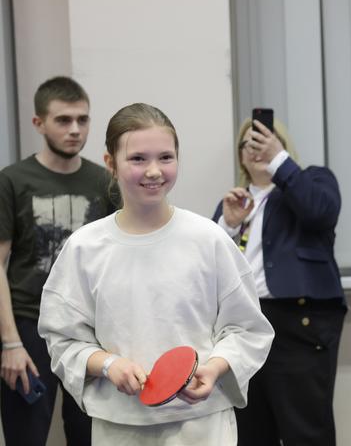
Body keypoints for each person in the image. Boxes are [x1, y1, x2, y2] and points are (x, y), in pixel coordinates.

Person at [37, 103, 274, 445]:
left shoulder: (208, 238)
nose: (153, 171)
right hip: (120, 425)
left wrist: (216, 366)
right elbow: (62, 338)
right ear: (111, 164)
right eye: (138, 159)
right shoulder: (84, 248)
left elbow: (246, 328)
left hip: (202, 424)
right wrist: (107, 364)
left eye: (165, 157)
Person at [212, 118, 346, 445]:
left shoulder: (311, 181)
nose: (255, 148)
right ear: (240, 155)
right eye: (248, 144)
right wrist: (227, 225)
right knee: (250, 429)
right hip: (243, 325)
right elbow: (208, 268)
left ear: (280, 144)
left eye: (264, 140)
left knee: (305, 430)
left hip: (298, 323)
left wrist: (279, 161)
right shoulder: (234, 201)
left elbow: (320, 212)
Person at [0, 76, 114, 446]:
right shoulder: (13, 181)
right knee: (27, 435)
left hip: (90, 328)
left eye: (83, 120)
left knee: (90, 435)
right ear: (39, 123)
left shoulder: (104, 181)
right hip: (30, 326)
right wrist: (10, 343)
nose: (75, 130)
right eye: (63, 120)